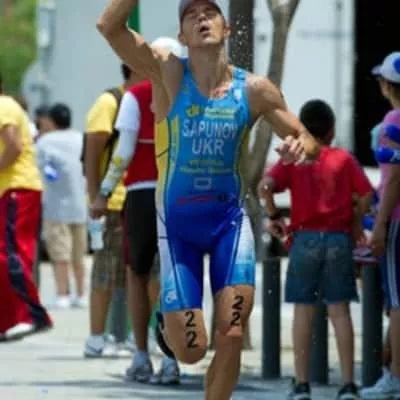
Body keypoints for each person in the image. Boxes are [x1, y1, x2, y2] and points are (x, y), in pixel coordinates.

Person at [97, 1, 319, 398]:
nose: (201, 17)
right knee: (191, 350)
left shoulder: (254, 90)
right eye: (191, 14)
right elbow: (110, 27)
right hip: (178, 230)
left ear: (227, 28)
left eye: (210, 11)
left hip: (228, 225)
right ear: (182, 36)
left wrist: (301, 145)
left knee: (231, 332)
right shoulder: (167, 73)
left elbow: (307, 138)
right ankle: (170, 326)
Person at [258, 99, 373, 400]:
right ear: (331, 130)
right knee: (340, 311)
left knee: (303, 312)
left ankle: (301, 384)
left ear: (302, 129)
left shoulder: (293, 160)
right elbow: (366, 195)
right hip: (338, 239)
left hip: (304, 239)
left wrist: (274, 216)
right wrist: (356, 223)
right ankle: (348, 385)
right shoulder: (344, 159)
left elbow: (265, 187)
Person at [91, 37, 183, 384]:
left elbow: (123, 152)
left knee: (137, 275)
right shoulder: (192, 94)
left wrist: (102, 193)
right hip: (180, 193)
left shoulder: (136, 95)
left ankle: (142, 356)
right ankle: (171, 359)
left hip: (142, 194)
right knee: (174, 276)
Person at [83, 64, 135, 357]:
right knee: (106, 271)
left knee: (141, 273)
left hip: (143, 198)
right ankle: (96, 338)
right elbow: (92, 152)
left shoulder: (154, 97)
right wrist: (96, 197)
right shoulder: (110, 101)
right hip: (113, 201)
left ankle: (136, 336)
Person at [0, 72, 52, 341]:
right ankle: (10, 318)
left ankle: (31, 315)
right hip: (11, 190)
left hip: (18, 188)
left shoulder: (3, 106)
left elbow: (13, 146)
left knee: (11, 253)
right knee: (8, 253)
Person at [361, 51, 400, 399]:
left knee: (398, 302)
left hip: (398, 220)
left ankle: (395, 378)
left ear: (388, 86)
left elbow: (394, 180)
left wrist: (380, 224)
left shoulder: (392, 122)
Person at [35, 103, 88, 309]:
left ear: (51, 121)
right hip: (80, 205)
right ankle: (81, 294)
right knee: (78, 254)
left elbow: (45, 170)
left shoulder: (45, 141)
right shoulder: (80, 138)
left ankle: (63, 294)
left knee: (60, 255)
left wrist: (55, 178)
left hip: (56, 206)